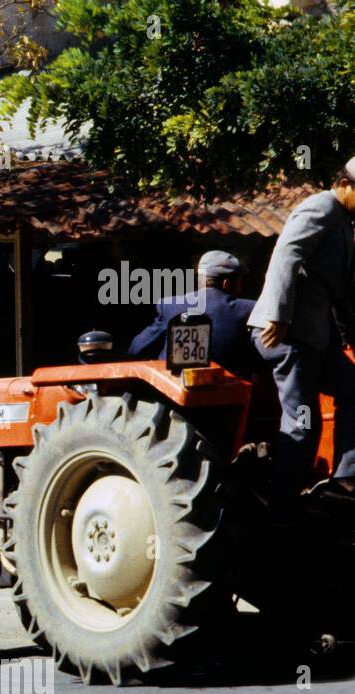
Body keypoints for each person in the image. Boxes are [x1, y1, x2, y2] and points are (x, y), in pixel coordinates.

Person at [247, 156, 355, 503]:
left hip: (314, 340)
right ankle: (281, 503)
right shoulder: (321, 207)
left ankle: (345, 481)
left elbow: (337, 292)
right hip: (287, 335)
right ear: (344, 185)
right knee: (304, 422)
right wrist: (278, 315)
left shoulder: (344, 223)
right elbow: (287, 253)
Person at [128, 250, 260, 377]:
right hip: (226, 392)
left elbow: (138, 348)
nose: (241, 289)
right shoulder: (249, 309)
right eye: (240, 283)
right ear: (226, 284)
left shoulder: (170, 305)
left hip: (172, 391)